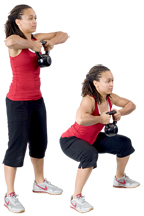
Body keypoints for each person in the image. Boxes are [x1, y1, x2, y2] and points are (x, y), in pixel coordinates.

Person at [3, 4, 68, 213]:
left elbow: (63, 34)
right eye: (29, 18)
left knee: (40, 142)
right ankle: (9, 194)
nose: (34, 21)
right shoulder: (17, 42)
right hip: (17, 102)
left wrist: (48, 42)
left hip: (37, 100)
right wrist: (33, 45)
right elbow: (9, 41)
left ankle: (39, 182)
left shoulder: (35, 37)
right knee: (16, 146)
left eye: (35, 18)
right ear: (17, 22)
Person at [60, 64, 140, 213]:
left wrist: (120, 112)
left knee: (124, 143)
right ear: (96, 83)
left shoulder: (110, 98)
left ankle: (119, 179)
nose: (111, 84)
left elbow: (131, 105)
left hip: (92, 138)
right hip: (71, 140)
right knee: (90, 155)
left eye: (112, 81)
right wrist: (100, 119)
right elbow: (80, 119)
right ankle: (76, 198)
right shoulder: (89, 100)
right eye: (107, 81)